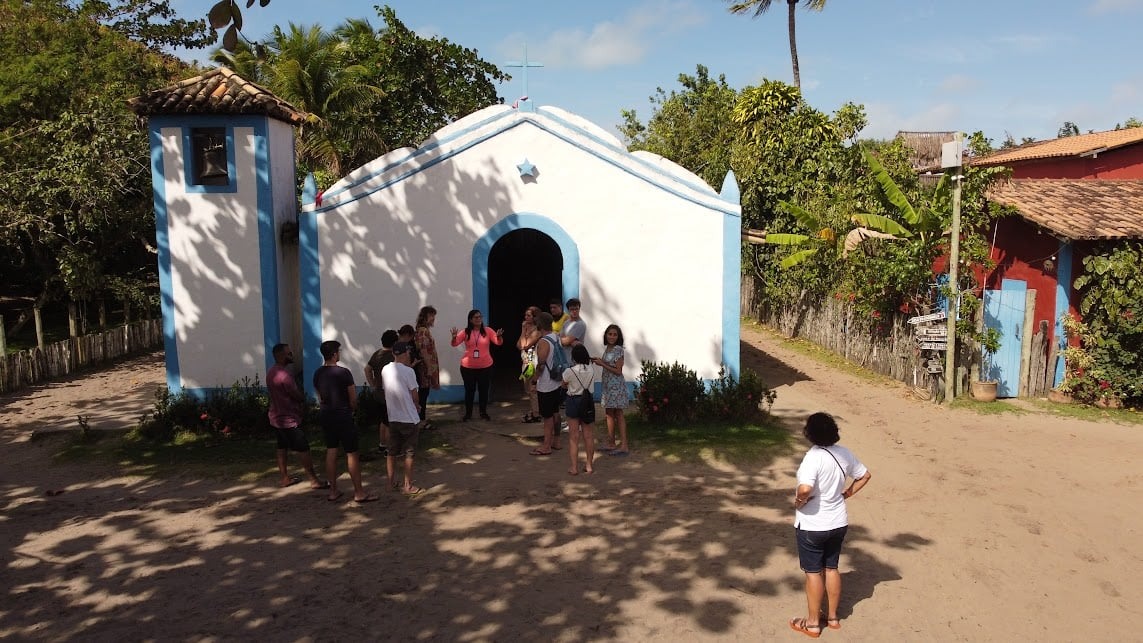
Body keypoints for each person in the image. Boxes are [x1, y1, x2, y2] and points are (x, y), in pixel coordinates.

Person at [789, 412, 872, 638]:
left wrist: (799, 501)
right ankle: (833, 617)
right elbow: (865, 475)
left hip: (813, 524)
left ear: (810, 433)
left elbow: (805, 488)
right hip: (838, 522)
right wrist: (846, 494)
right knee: (832, 568)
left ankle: (813, 623)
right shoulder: (844, 453)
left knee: (813, 573)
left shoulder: (813, 457)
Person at [312, 340, 378, 503]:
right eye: (338, 351)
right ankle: (359, 492)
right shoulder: (343, 373)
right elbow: (353, 399)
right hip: (343, 415)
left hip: (327, 415)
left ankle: (333, 490)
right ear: (334, 354)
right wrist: (352, 410)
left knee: (331, 450)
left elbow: (320, 396)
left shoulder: (318, 373)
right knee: (352, 453)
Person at [267, 343, 324, 489]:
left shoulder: (271, 372)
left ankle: (285, 477)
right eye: (289, 353)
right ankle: (314, 480)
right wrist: (303, 398)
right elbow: (297, 395)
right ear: (281, 355)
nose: (291, 355)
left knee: (281, 447)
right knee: (303, 448)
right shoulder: (285, 376)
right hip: (289, 419)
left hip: (276, 418)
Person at [381, 341, 424, 495]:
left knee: (391, 451)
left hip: (393, 417)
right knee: (409, 452)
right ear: (406, 354)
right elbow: (414, 395)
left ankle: (390, 483)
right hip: (409, 417)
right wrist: (417, 406)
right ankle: (408, 485)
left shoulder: (385, 369)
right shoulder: (409, 372)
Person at [449, 309, 503, 421]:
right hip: (468, 368)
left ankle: (483, 413)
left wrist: (498, 336)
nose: (479, 319)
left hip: (485, 367)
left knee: (484, 391)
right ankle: (468, 414)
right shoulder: (465, 332)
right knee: (470, 391)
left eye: (480, 317)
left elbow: (498, 342)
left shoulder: (487, 331)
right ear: (470, 320)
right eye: (476, 317)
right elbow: (454, 344)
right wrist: (454, 337)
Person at [592, 324, 629, 456]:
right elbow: (609, 364)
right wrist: (600, 360)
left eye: (615, 334)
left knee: (618, 413)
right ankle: (611, 442)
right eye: (610, 334)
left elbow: (618, 371)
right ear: (606, 335)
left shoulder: (618, 350)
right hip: (607, 385)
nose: (612, 336)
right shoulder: (608, 348)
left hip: (616, 386)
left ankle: (624, 445)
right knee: (608, 413)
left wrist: (602, 364)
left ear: (619, 337)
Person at [529, 312, 562, 455]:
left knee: (547, 417)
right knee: (556, 413)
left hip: (546, 384)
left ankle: (546, 446)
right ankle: (556, 441)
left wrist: (534, 380)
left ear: (540, 325)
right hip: (557, 381)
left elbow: (541, 364)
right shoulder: (556, 337)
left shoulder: (543, 342)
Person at [562, 344, 597, 475]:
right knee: (588, 435)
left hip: (573, 401)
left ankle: (574, 467)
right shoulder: (591, 370)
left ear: (573, 357)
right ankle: (589, 465)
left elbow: (563, 384)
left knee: (573, 437)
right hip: (587, 401)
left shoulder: (569, 371)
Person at [364, 329, 399, 456]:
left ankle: (382, 444)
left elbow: (367, 369)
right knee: (390, 422)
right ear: (394, 342)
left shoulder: (377, 354)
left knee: (383, 421)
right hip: (389, 393)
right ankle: (390, 450)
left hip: (378, 393)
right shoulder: (392, 356)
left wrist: (373, 383)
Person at [413, 306, 441, 427]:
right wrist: (429, 368)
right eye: (431, 316)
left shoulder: (422, 330)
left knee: (424, 393)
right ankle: (420, 420)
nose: (433, 318)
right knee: (423, 394)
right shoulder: (423, 331)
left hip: (427, 366)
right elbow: (423, 350)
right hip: (425, 368)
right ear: (425, 317)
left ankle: (420, 418)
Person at [517, 306, 543, 423]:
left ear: (534, 317)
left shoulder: (537, 331)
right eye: (525, 315)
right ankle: (534, 411)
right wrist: (523, 333)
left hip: (533, 363)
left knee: (533, 389)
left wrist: (523, 331)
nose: (526, 317)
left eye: (528, 315)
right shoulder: (527, 329)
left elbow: (525, 345)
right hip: (525, 362)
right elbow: (518, 345)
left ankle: (536, 414)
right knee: (528, 389)